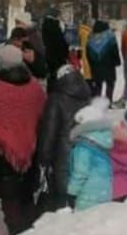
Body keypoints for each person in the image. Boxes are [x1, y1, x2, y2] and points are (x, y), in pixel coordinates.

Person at [0, 44, 47, 235]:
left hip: (2, 150)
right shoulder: (35, 87)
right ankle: (27, 230)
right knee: (26, 191)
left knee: (10, 195)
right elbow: (42, 115)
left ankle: (15, 230)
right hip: (30, 146)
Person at [35, 63, 93, 211]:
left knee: (62, 197)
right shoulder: (87, 97)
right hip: (85, 152)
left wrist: (43, 157)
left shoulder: (56, 99)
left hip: (62, 156)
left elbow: (49, 131)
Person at [66, 100, 117, 212]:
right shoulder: (105, 141)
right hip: (105, 193)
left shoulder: (83, 147)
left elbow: (80, 172)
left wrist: (71, 193)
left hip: (87, 196)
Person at [86, 20, 121, 102]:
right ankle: (108, 101)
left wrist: (91, 65)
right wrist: (117, 61)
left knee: (98, 85)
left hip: (96, 66)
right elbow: (115, 51)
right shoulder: (110, 37)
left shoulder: (90, 39)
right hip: (109, 65)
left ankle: (97, 102)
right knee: (110, 83)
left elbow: (88, 55)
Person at [41, 9, 71, 75]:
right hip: (58, 57)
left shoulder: (44, 26)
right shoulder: (55, 26)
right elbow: (61, 42)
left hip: (49, 56)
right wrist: (66, 53)